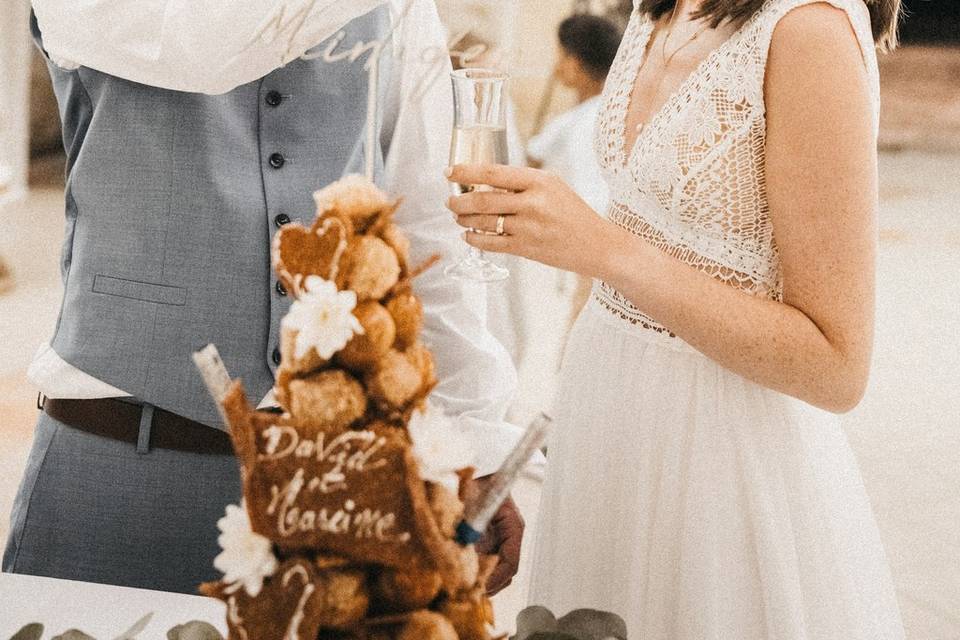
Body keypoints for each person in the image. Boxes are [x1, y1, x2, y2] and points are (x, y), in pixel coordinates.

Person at [4, 0, 524, 596]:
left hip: (335, 488)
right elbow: (205, 47)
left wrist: (468, 447)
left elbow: (426, 231)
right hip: (116, 466)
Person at [446, 0, 907, 635]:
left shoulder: (808, 31)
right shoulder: (656, 8)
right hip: (604, 426)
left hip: (716, 462)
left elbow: (837, 364)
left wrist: (605, 250)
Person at [527, 14, 621, 330]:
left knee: (582, 325)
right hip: (618, 238)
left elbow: (528, 161)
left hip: (593, 241)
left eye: (562, 56)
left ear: (578, 61)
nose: (557, 67)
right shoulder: (619, 110)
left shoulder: (570, 123)